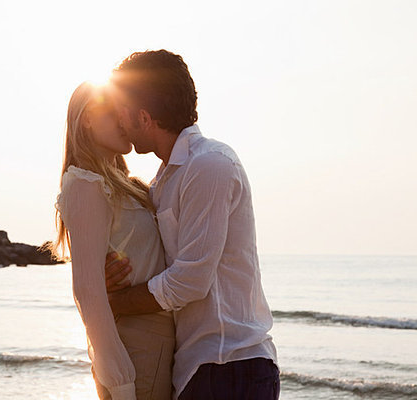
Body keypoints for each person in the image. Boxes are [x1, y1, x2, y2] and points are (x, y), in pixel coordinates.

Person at [103, 50, 280, 400]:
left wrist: (114, 302)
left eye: (120, 110)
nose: (118, 121)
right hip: (196, 370)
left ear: (143, 116)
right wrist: (113, 270)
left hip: (231, 364)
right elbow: (157, 261)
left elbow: (189, 281)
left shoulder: (210, 164)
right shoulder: (162, 182)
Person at [50, 81, 175, 400]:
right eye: (113, 112)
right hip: (134, 351)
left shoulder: (126, 184)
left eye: (126, 111)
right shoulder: (85, 184)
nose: (125, 120)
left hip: (157, 342)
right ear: (87, 119)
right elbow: (87, 292)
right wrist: (121, 384)